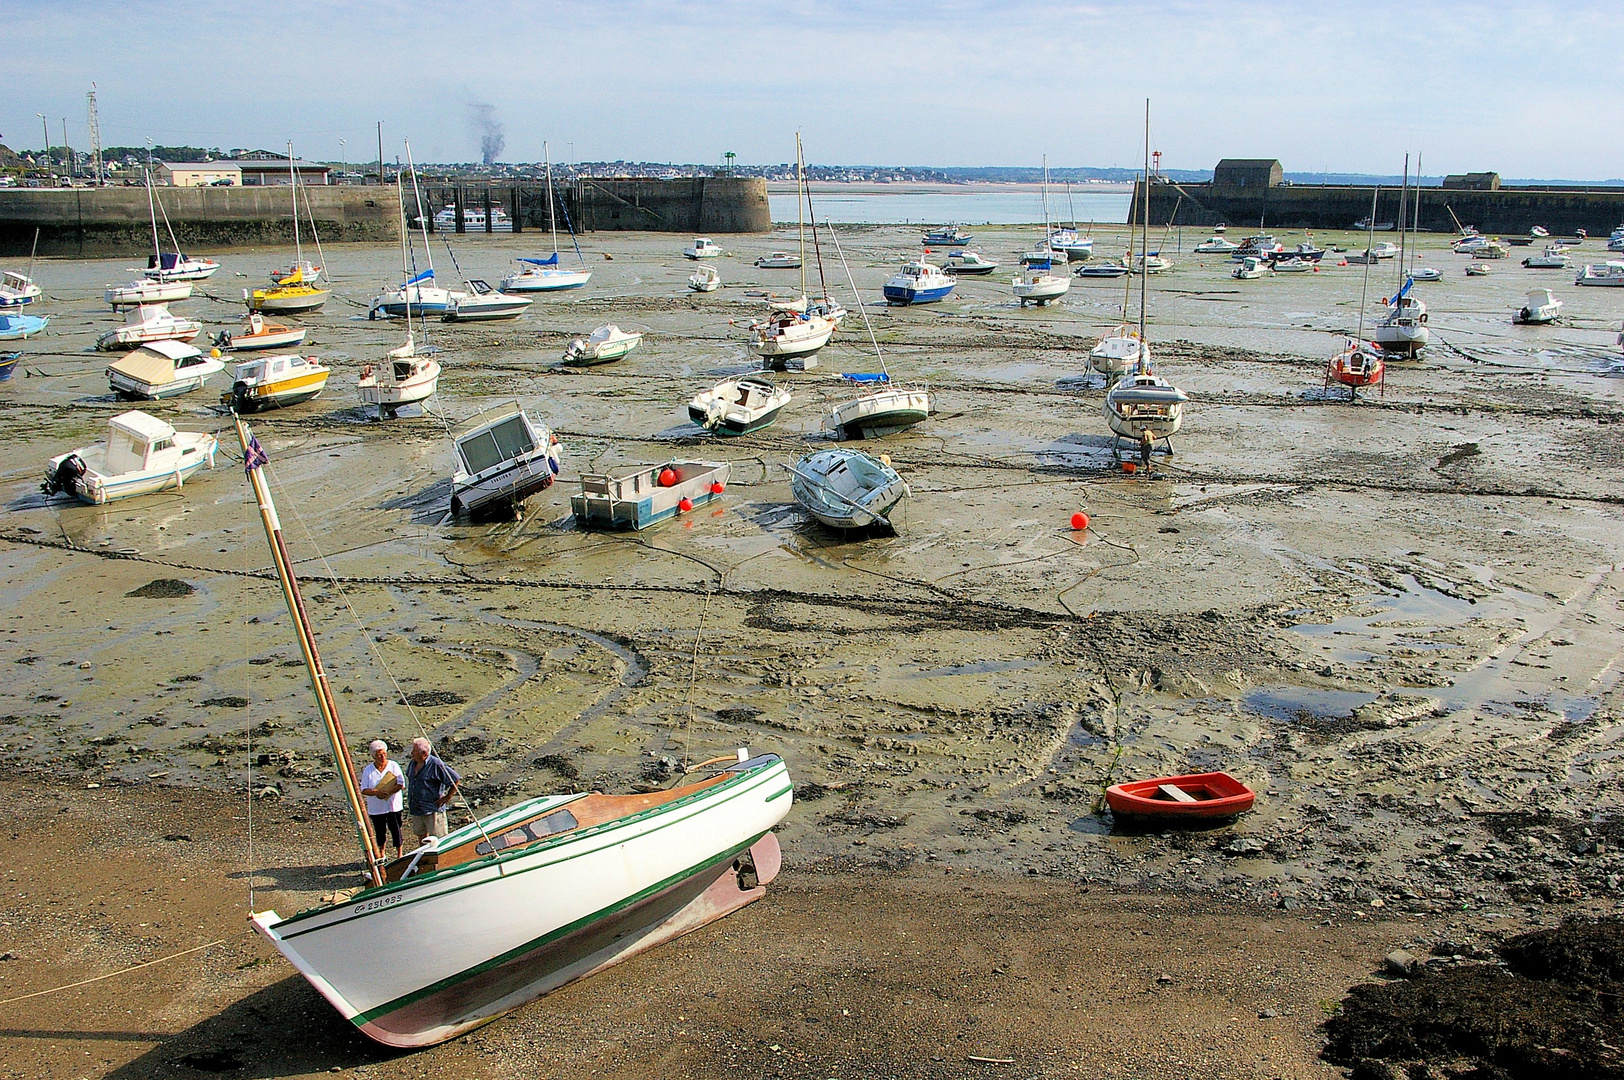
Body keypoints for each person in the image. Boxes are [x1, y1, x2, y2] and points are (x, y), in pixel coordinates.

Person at [405, 737, 461, 847]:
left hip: (432, 809)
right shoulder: (413, 763)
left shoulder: (436, 764)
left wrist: (447, 797)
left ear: (424, 753)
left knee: (439, 839)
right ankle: (424, 859)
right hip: (417, 808)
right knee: (421, 836)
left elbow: (455, 779)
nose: (412, 753)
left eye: (415, 751)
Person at [359, 740, 405, 859]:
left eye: (384, 754)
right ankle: (382, 853)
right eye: (379, 754)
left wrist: (388, 792)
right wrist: (377, 792)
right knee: (380, 831)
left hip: (393, 805)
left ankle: (399, 854)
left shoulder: (393, 765)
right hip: (377, 807)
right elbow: (364, 789)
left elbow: (401, 783)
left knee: (396, 829)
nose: (382, 756)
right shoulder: (368, 770)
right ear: (374, 756)